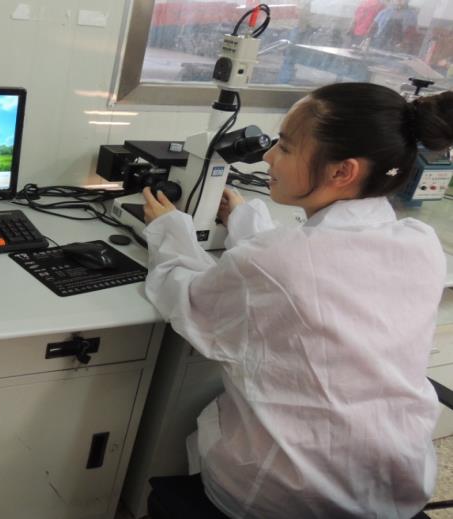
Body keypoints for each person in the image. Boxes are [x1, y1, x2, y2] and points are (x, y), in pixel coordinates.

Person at [141, 82, 453, 518]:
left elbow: (188, 300)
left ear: (342, 172)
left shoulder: (280, 260)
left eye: (285, 148)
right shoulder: (419, 242)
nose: (268, 157)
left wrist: (169, 230)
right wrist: (246, 219)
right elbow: (312, 268)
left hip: (287, 495)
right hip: (395, 488)